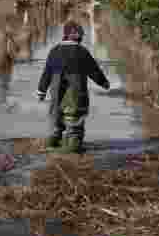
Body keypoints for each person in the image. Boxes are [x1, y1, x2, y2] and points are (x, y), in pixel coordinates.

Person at [36, 20, 110, 153]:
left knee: (56, 113)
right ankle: (73, 142)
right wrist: (104, 83)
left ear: (64, 36)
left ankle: (53, 139)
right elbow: (94, 70)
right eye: (81, 35)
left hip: (56, 86)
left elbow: (46, 72)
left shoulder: (55, 51)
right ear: (78, 37)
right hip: (76, 86)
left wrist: (41, 90)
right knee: (75, 113)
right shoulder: (81, 51)